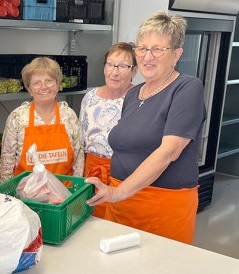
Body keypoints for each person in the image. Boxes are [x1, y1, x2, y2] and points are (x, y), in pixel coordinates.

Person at [84, 12, 206, 244]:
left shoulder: (187, 88)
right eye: (142, 49)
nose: (147, 57)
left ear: (176, 55)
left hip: (162, 205)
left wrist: (119, 192)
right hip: (121, 204)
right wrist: (117, 194)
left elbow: (169, 151)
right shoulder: (132, 94)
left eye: (158, 49)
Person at [0, 57, 84, 183]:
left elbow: (79, 160)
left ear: (58, 84)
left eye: (49, 81)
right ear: (29, 89)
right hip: (26, 196)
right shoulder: (17, 117)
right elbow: (7, 163)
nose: (44, 87)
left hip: (65, 195)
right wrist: (10, 197)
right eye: (37, 83)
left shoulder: (69, 116)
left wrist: (76, 192)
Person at [79, 42, 136, 219]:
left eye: (123, 66)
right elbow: (82, 142)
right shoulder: (90, 97)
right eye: (110, 64)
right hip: (92, 171)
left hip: (126, 175)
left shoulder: (140, 99)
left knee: (121, 223)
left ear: (134, 71)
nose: (114, 72)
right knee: (91, 223)